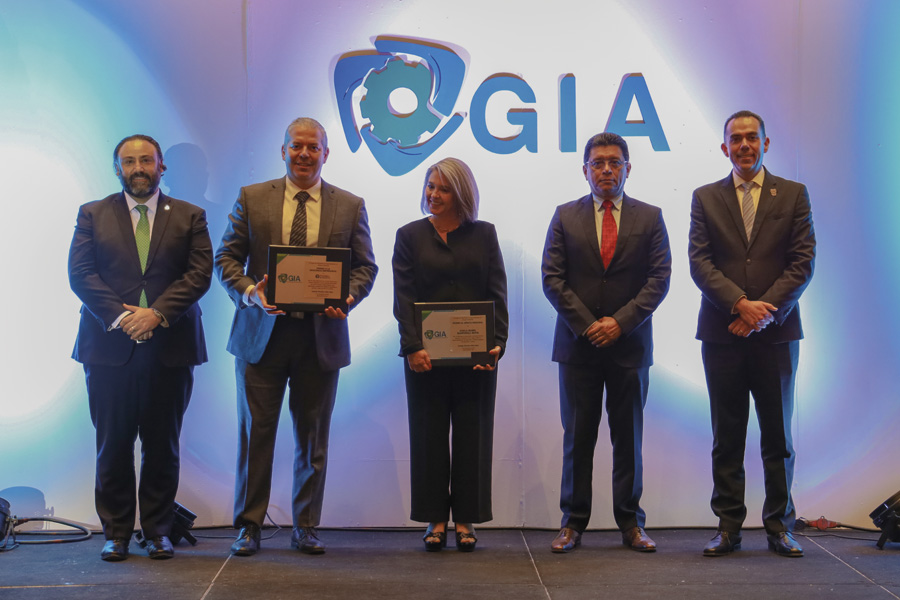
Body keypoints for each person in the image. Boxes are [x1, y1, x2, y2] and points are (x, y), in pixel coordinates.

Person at [215, 117, 377, 556]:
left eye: (313, 147)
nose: (304, 154)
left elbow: (366, 267)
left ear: (326, 153)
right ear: (282, 150)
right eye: (296, 146)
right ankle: (249, 526)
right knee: (255, 435)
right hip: (260, 336)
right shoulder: (252, 198)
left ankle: (305, 525)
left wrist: (347, 296)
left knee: (313, 437)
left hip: (319, 339)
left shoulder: (349, 204)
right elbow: (226, 256)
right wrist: (250, 292)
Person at [68, 134, 212, 561]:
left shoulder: (190, 215)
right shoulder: (92, 214)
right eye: (129, 161)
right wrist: (124, 317)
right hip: (109, 346)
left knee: (162, 444)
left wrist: (156, 314)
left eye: (146, 160)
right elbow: (81, 274)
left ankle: (158, 531)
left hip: (171, 346)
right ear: (118, 169)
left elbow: (198, 274)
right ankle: (116, 532)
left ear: (161, 166)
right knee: (112, 444)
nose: (138, 168)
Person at [689, 110, 815, 558]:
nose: (744, 145)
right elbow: (700, 264)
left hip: (776, 335)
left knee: (778, 436)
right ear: (724, 147)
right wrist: (740, 305)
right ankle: (728, 526)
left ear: (766, 143)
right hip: (723, 332)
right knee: (727, 434)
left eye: (751, 138)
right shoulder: (705, 198)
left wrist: (763, 313)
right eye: (735, 139)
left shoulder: (794, 194)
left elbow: (803, 263)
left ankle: (780, 525)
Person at [542, 132, 671, 553]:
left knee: (628, 439)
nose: (606, 170)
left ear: (628, 168)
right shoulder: (564, 216)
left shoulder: (650, 217)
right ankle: (572, 524)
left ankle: (631, 525)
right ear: (585, 170)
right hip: (578, 348)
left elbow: (659, 279)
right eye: (597, 163)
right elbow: (553, 279)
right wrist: (588, 325)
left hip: (630, 347)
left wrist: (619, 323)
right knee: (577, 438)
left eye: (615, 162)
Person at [392, 157, 508, 552]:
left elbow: (497, 293)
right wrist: (412, 347)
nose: (433, 194)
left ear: (461, 193)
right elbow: (403, 298)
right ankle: (435, 518)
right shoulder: (409, 235)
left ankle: (466, 518)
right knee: (427, 438)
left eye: (442, 188)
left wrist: (497, 344)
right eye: (430, 186)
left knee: (473, 438)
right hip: (425, 359)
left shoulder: (485, 234)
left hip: (476, 359)